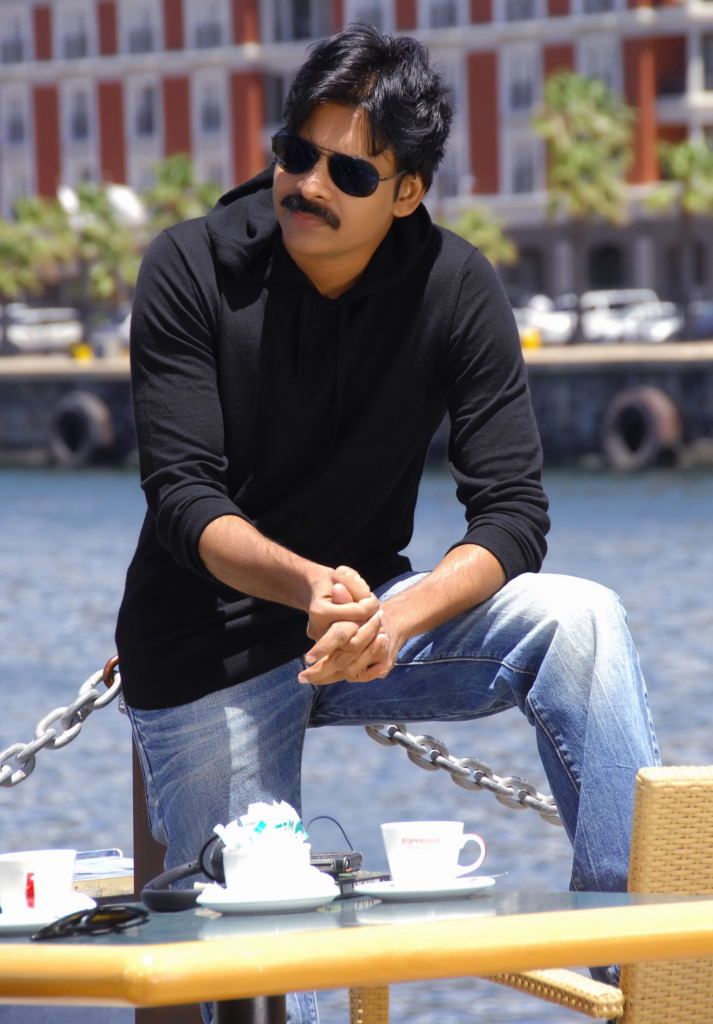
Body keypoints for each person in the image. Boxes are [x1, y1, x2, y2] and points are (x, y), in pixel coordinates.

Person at [116, 23, 660, 1022]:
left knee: (582, 621)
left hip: (378, 620)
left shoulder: (454, 285)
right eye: (296, 153)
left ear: (406, 191)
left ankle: (642, 968)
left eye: (348, 173)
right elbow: (184, 499)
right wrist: (309, 588)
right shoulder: (189, 267)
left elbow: (512, 511)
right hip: (205, 644)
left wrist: (391, 620)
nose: (308, 185)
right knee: (256, 969)